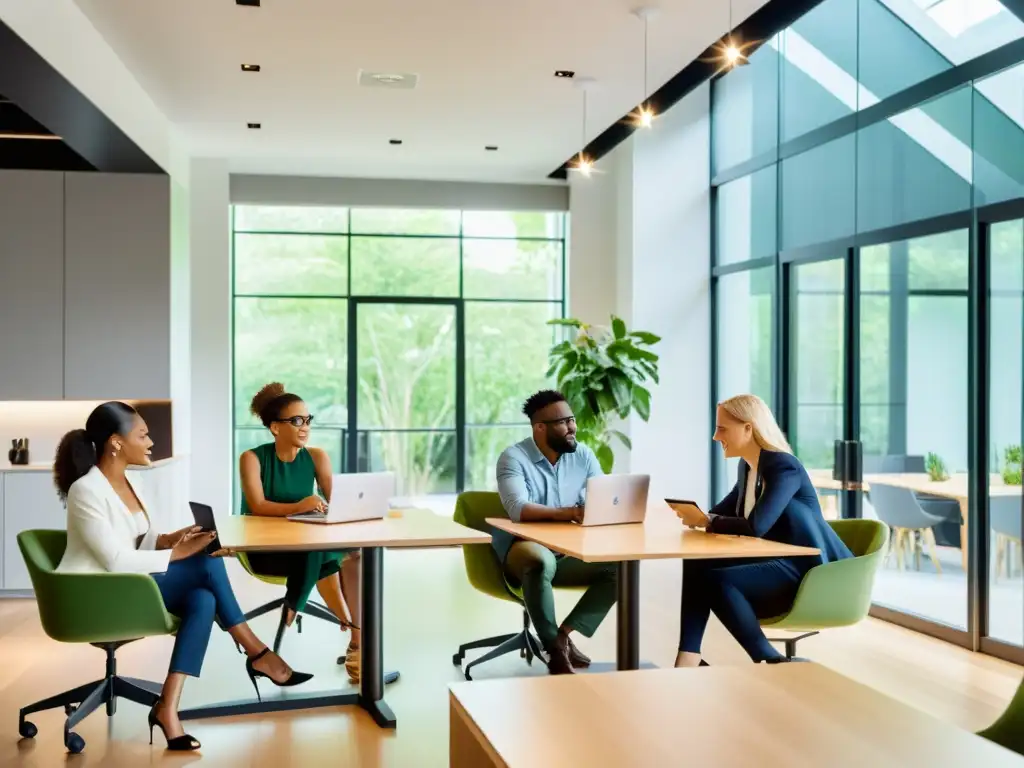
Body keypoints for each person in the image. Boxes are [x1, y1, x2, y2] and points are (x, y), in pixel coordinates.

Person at [54, 401, 311, 752]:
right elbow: (114, 560)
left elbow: (140, 541)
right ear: (116, 442)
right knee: (207, 564)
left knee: (202, 599)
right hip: (97, 595)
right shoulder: (86, 490)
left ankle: (168, 708)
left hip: (131, 585)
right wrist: (177, 553)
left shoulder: (132, 484)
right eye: (143, 435)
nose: (151, 443)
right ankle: (257, 652)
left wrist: (176, 538)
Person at [673, 393, 854, 667]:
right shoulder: (748, 468)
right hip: (773, 562)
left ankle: (770, 659)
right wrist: (698, 516)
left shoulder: (784, 467)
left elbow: (756, 525)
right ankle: (689, 655)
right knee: (697, 561)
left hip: (806, 571)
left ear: (748, 428)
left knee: (717, 581)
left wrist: (708, 521)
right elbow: (722, 512)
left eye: (722, 429)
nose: (715, 436)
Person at [239, 382, 363, 683]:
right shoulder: (252, 459)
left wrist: (352, 504)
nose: (304, 427)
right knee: (319, 548)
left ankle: (356, 638)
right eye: (296, 421)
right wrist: (301, 504)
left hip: (307, 549)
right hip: (265, 551)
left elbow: (335, 503)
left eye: (307, 420)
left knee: (354, 554)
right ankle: (315, 612)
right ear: (274, 428)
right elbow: (257, 506)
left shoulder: (317, 457)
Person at [495, 390, 618, 675]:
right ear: (540, 427)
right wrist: (572, 513)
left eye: (572, 420)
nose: (572, 427)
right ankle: (554, 651)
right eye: (563, 422)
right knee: (539, 560)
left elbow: (601, 497)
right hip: (523, 547)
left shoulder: (583, 455)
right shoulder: (513, 457)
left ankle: (561, 636)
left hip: (568, 550)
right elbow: (518, 508)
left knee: (623, 567)